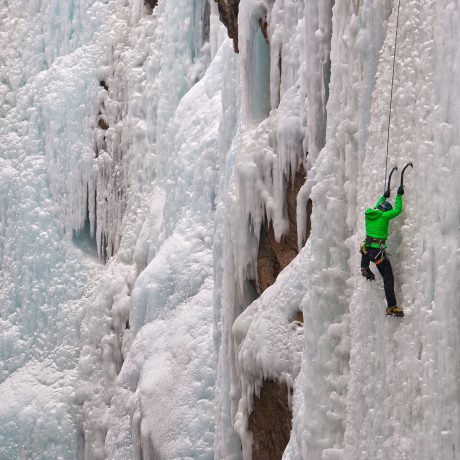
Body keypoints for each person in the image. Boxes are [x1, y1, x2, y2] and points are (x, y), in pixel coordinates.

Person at [360, 185, 405, 317]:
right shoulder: (384, 216)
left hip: (366, 250)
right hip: (377, 253)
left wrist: (384, 197)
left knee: (366, 249)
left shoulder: (369, 215)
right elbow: (397, 210)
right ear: (385, 211)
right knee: (388, 277)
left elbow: (376, 207)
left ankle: (364, 267)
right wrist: (399, 195)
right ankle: (392, 307)